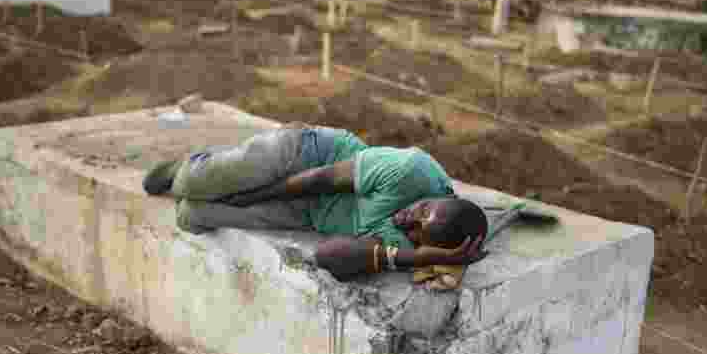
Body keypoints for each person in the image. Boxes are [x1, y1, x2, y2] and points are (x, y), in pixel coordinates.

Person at [143, 123, 488, 281]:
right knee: (193, 182)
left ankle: (212, 178)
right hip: (306, 158)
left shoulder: (415, 244)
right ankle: (185, 168)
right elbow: (321, 179)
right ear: (437, 196)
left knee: (192, 215)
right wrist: (253, 196)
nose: (406, 221)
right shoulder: (411, 171)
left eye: (416, 233)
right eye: (422, 210)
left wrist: (415, 257)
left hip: (306, 212)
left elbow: (327, 256)